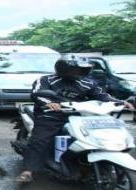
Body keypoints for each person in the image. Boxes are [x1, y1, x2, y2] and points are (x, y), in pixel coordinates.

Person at [16, 55, 135, 183]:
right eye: (74, 70)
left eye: (81, 70)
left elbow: (102, 96)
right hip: (51, 114)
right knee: (40, 140)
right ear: (63, 69)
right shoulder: (46, 80)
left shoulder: (88, 82)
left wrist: (120, 102)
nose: (78, 73)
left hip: (79, 115)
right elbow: (38, 93)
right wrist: (49, 102)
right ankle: (28, 171)